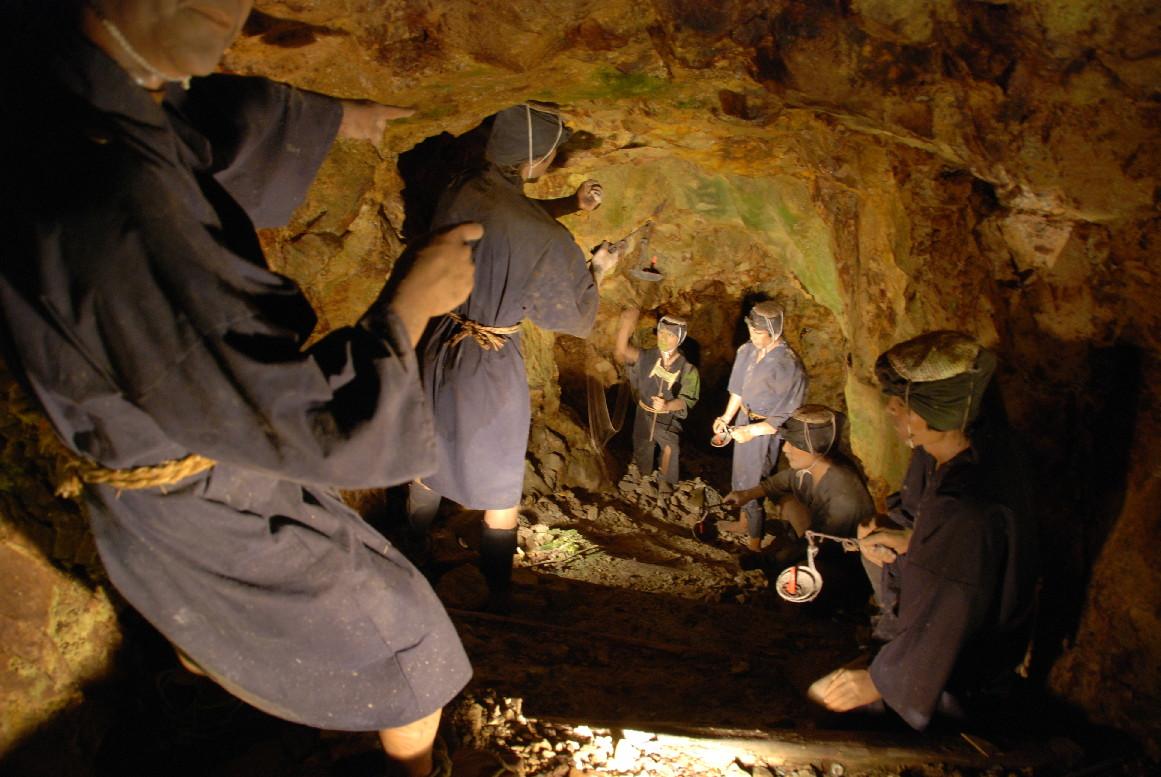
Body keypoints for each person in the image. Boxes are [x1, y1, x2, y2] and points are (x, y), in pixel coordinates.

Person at [0, 3, 481, 775]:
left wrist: (335, 119)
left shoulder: (64, 95)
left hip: (162, 480)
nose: (227, 11)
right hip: (208, 501)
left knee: (240, 632)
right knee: (409, 648)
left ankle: (224, 689)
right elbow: (289, 413)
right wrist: (410, 306)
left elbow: (185, 127)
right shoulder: (115, 205)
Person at [409, 103, 620, 609]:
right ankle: (497, 591)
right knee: (501, 475)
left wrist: (571, 204)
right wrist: (599, 271)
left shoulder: (462, 186)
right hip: (490, 358)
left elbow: (505, 214)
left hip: (440, 340)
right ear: (537, 157)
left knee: (428, 451)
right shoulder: (546, 239)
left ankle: (409, 561)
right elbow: (574, 316)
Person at [809, 332, 1038, 732]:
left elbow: (953, 610)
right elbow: (935, 532)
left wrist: (881, 682)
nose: (890, 410)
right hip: (925, 638)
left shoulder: (970, 506)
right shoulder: (944, 455)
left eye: (902, 404)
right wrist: (905, 536)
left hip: (957, 678)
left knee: (824, 703)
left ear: (938, 411)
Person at [725, 404, 873, 568]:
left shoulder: (843, 497)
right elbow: (785, 479)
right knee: (788, 502)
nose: (785, 449)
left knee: (809, 566)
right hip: (819, 532)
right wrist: (746, 494)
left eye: (794, 444)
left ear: (815, 448)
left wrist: (772, 560)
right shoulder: (817, 466)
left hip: (843, 556)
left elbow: (820, 541)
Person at [712, 302, 808, 551]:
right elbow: (738, 390)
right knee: (739, 474)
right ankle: (744, 523)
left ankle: (755, 542)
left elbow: (784, 415)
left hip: (765, 430)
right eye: (751, 330)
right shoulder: (747, 350)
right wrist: (726, 418)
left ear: (774, 331)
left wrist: (752, 431)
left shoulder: (788, 366)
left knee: (754, 480)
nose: (753, 336)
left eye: (758, 333)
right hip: (744, 419)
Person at [613, 307, 700, 491]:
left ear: (680, 338)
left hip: (667, 418)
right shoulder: (646, 356)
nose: (663, 338)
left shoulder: (687, 369)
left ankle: (666, 486)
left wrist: (667, 405)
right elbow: (622, 351)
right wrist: (626, 326)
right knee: (642, 442)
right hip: (644, 411)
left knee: (669, 448)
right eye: (661, 333)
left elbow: (687, 400)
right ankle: (642, 478)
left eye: (670, 335)